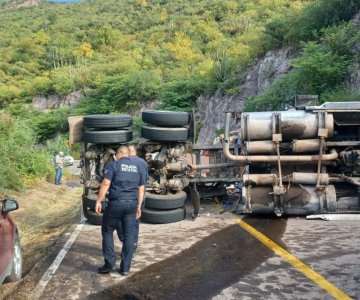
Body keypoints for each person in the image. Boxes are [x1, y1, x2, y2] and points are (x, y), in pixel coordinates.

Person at [95, 145, 145, 276]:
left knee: (107, 231)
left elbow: (106, 183)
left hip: (116, 204)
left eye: (116, 154)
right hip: (132, 205)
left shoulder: (114, 165)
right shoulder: (137, 167)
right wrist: (139, 206)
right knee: (129, 235)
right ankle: (125, 268)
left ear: (119, 153)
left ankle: (109, 264)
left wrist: (98, 201)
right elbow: (141, 189)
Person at [128, 144, 148, 253]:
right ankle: (133, 246)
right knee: (135, 223)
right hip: (138, 197)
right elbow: (144, 181)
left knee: (125, 223)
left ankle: (129, 245)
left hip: (127, 197)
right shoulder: (143, 163)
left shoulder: (122, 162)